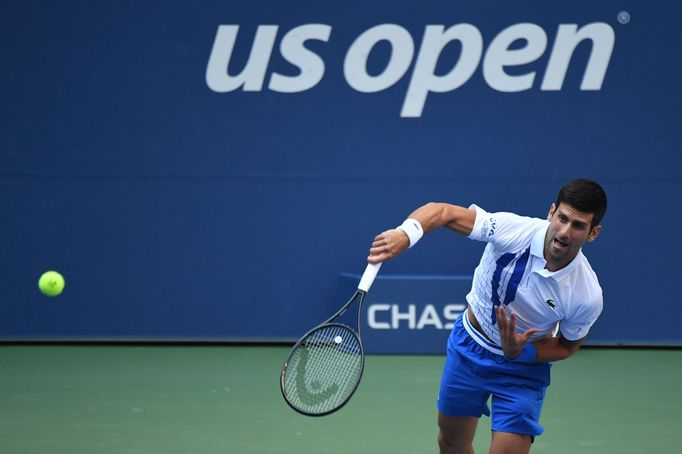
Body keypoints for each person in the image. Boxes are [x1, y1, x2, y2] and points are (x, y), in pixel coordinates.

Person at [367, 178, 607, 454]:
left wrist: (521, 352)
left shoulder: (586, 294)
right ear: (551, 212)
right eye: (562, 218)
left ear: (593, 233)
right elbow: (442, 212)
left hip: (523, 370)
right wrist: (405, 234)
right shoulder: (513, 231)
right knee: (451, 443)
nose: (564, 231)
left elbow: (567, 346)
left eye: (577, 225)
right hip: (470, 347)